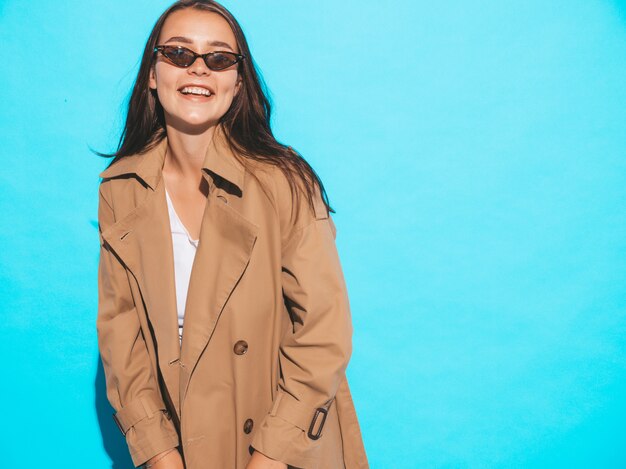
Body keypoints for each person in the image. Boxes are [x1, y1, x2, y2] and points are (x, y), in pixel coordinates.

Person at [96, 1, 368, 468]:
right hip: (181, 443)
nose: (198, 68)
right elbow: (123, 338)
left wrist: (270, 457)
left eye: (219, 58)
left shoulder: (284, 183)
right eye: (179, 53)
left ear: (237, 82)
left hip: (281, 444)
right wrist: (160, 454)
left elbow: (324, 333)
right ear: (152, 74)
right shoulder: (123, 188)